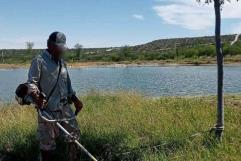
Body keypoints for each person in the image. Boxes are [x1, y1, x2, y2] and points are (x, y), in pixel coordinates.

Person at [27, 31, 83, 161]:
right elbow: (31, 84)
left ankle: (73, 158)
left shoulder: (62, 63)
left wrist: (75, 100)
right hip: (48, 111)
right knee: (47, 145)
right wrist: (37, 98)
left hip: (65, 108)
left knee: (74, 136)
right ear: (50, 46)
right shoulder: (39, 61)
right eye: (59, 48)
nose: (61, 51)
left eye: (62, 48)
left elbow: (67, 84)